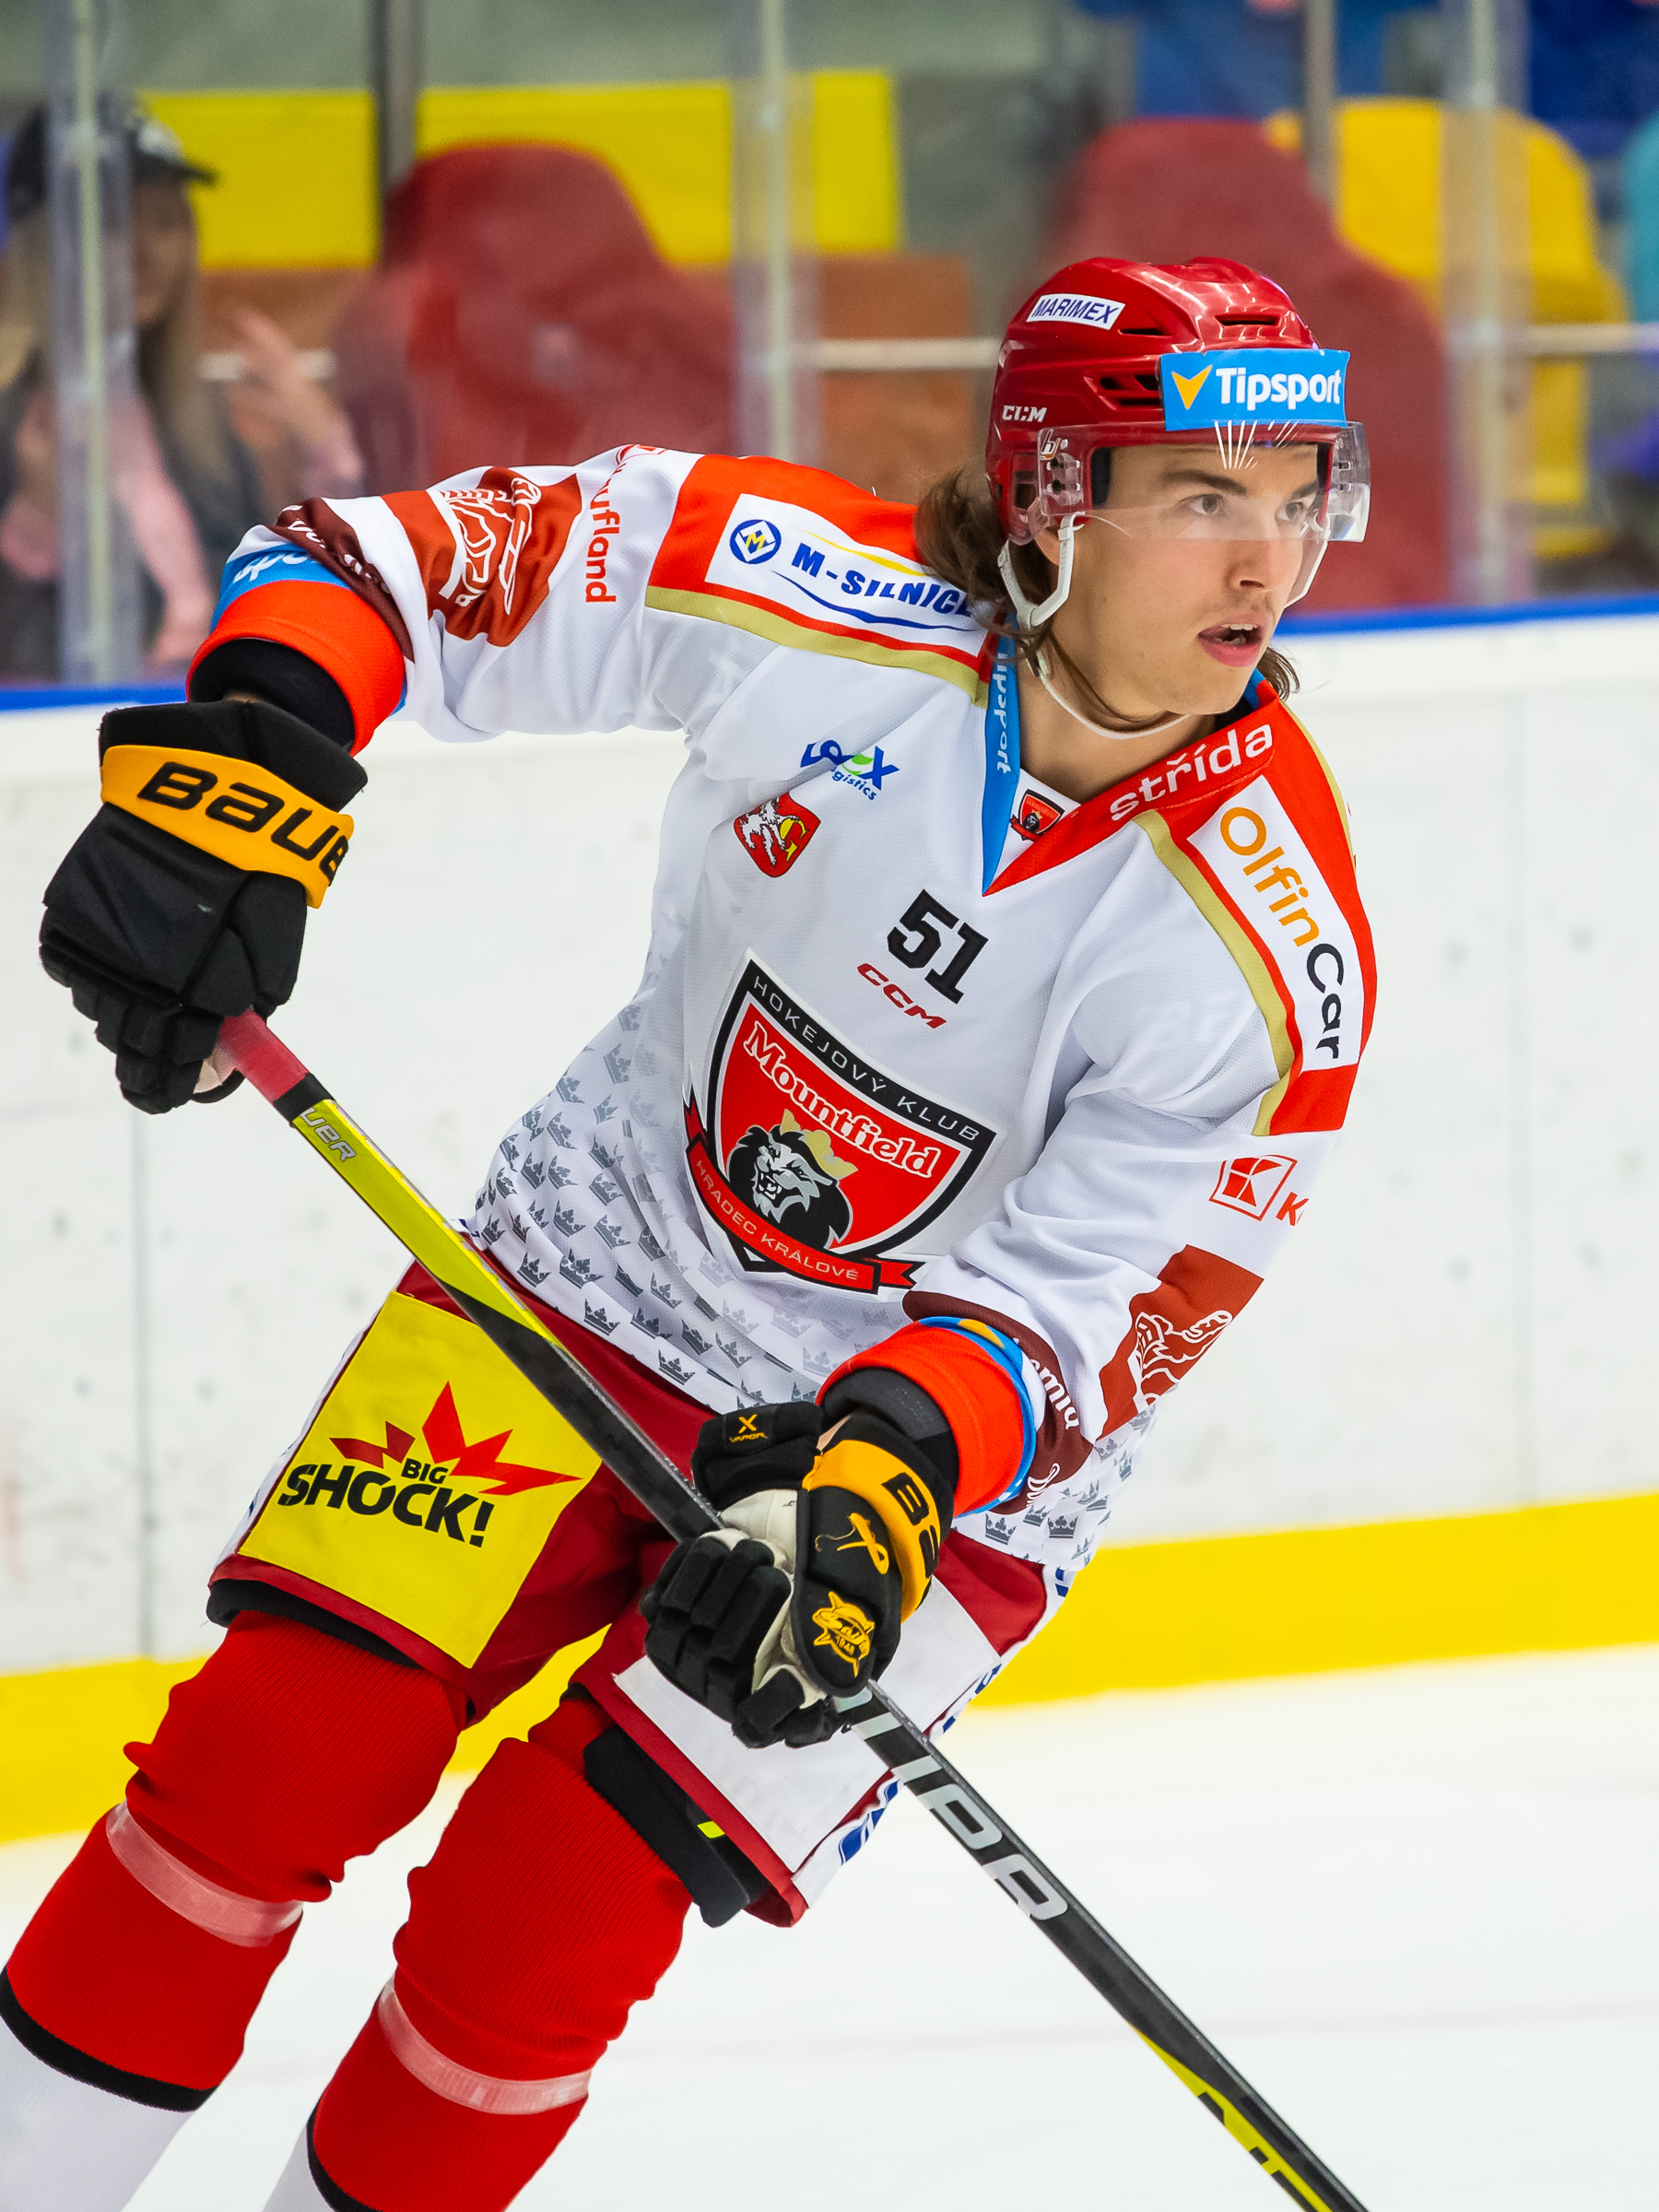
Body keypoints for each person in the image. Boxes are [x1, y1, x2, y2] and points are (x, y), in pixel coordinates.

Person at [4, 256, 1376, 2212]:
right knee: (266, 1767)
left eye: (1303, 497)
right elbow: (376, 567)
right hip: (591, 1277)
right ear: (1052, 495)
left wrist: (878, 1484)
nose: (1269, 563)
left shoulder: (1268, 947)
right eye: (1207, 496)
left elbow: (1100, 1312)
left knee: (540, 1934)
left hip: (923, 1485)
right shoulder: (801, 589)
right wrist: (248, 765)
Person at [0, 106, 360, 680]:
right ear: (45, 246)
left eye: (167, 222)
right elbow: (28, 667)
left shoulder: (201, 422)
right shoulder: (16, 431)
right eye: (115, 222)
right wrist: (37, 533)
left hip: (220, 700)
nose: (147, 251)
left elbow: (290, 596)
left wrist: (320, 453)